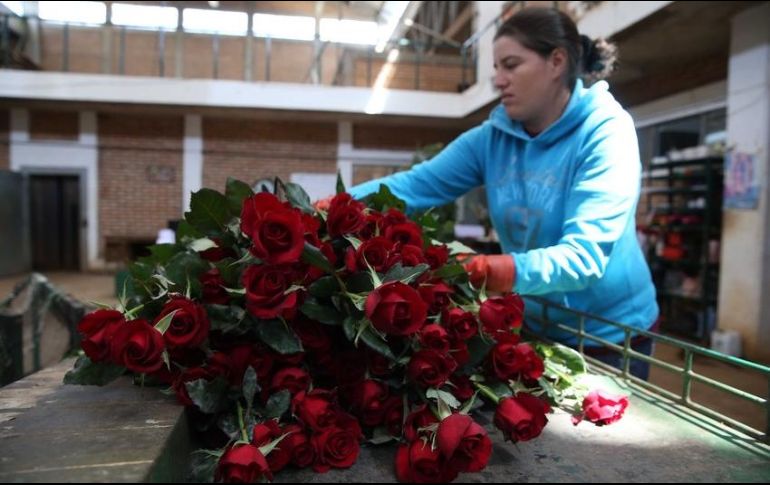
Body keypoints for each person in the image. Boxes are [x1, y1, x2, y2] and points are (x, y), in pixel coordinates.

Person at [337, 7, 659, 380]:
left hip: (609, 336)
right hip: (533, 323)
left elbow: (584, 258)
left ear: (556, 61)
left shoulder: (605, 133)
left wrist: (491, 270)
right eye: (496, 68)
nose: (498, 80)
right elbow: (415, 186)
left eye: (511, 65)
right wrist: (336, 206)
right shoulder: (494, 138)